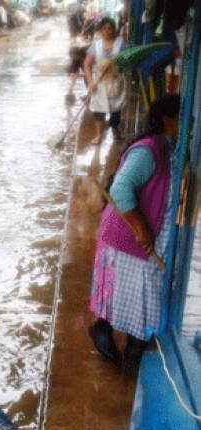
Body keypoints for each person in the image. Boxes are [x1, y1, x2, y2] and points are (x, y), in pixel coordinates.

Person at [88, 94, 181, 375]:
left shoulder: (169, 149)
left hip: (139, 238)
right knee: (136, 302)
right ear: (168, 121)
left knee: (134, 303)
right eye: (182, 121)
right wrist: (140, 227)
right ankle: (122, 349)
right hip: (127, 237)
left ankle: (122, 343)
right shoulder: (149, 150)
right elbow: (120, 188)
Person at [83, 17, 126, 145]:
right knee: (98, 110)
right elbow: (87, 64)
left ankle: (115, 128)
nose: (108, 31)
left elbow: (126, 62)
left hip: (115, 81)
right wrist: (90, 81)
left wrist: (116, 64)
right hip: (99, 83)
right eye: (105, 28)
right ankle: (98, 135)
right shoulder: (96, 46)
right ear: (100, 30)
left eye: (110, 28)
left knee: (116, 109)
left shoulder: (121, 44)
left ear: (114, 30)